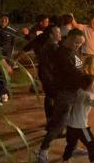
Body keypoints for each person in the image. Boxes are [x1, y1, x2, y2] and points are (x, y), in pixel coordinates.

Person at [36, 29, 87, 163]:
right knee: (59, 124)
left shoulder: (73, 52)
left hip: (76, 92)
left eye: (80, 44)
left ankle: (72, 147)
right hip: (65, 93)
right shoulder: (60, 54)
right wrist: (90, 79)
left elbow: (79, 68)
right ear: (68, 38)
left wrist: (86, 75)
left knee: (75, 122)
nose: (78, 46)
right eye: (76, 42)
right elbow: (72, 72)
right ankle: (43, 151)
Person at [62, 74, 94, 163]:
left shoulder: (78, 92)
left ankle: (65, 160)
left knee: (71, 145)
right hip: (82, 128)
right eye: (93, 83)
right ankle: (92, 161)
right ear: (89, 85)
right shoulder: (86, 95)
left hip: (70, 127)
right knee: (91, 143)